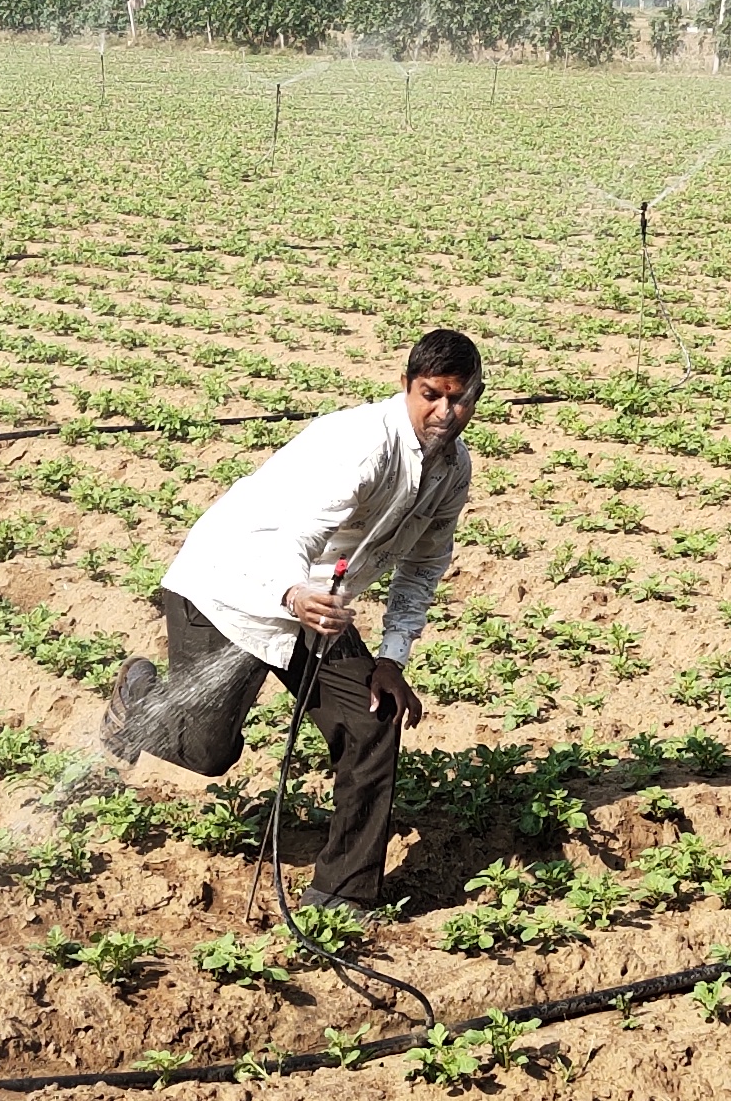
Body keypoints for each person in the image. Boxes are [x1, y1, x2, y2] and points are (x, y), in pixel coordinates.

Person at [98, 328, 481, 908]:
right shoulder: (363, 445)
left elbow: (423, 568)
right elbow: (294, 533)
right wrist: (290, 592)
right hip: (232, 583)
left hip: (317, 603)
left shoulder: (452, 470)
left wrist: (391, 658)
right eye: (431, 394)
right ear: (406, 386)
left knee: (372, 720)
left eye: (459, 398)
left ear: (476, 396)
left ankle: (342, 895)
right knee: (208, 753)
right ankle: (141, 699)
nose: (444, 412)